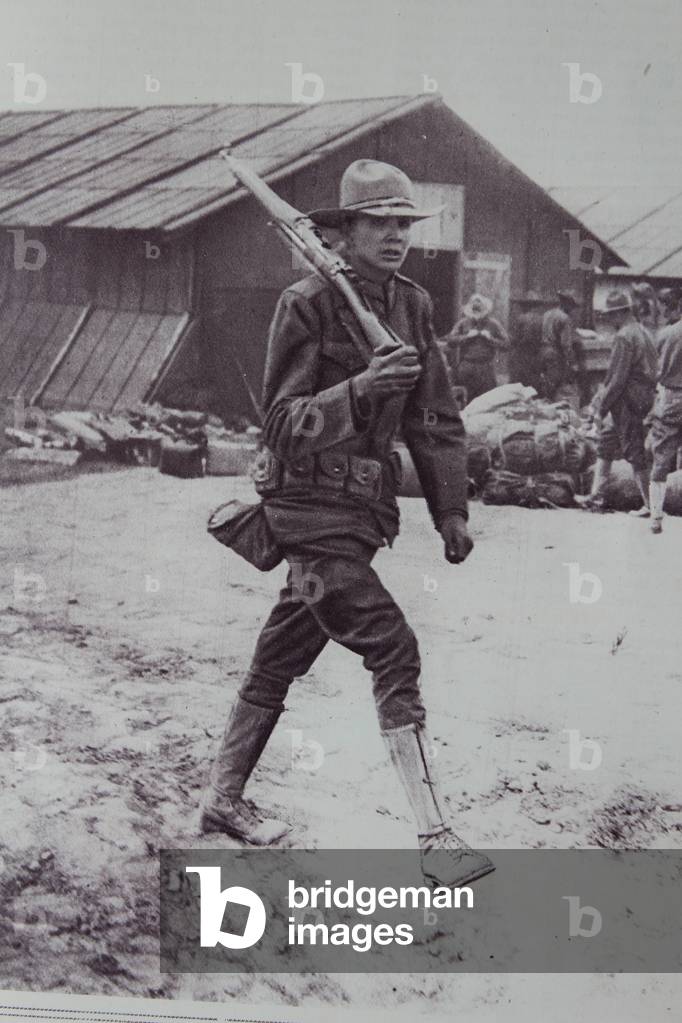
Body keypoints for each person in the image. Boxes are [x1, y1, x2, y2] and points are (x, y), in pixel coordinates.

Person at [200, 159, 495, 887]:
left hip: (360, 517)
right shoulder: (306, 304)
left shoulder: (412, 307)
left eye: (404, 224)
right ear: (345, 231)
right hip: (306, 513)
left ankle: (221, 799)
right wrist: (362, 390)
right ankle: (435, 836)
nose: (395, 236)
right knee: (393, 647)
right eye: (380, 223)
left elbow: (435, 417)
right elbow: (279, 423)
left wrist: (451, 508)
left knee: (280, 654)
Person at [578, 290, 657, 514]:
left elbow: (617, 378)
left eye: (611, 315)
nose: (609, 320)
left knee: (635, 452)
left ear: (621, 313)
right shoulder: (643, 331)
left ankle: (650, 505)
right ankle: (596, 497)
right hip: (640, 397)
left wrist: (600, 408)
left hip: (628, 401)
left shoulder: (624, 336)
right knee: (605, 444)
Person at [648, 294, 682, 533]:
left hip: (670, 396)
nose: (663, 316)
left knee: (661, 456)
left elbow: (653, 370)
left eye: (664, 311)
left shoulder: (664, 335)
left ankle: (656, 517)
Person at [443, 293, 508, 401]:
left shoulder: (493, 324)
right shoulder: (463, 323)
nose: (477, 312)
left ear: (485, 309)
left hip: (486, 368)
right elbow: (450, 340)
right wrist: (466, 336)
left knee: (487, 400)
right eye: (474, 309)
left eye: (480, 309)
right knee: (466, 400)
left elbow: (507, 344)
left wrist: (490, 338)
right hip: (466, 367)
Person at [539, 288, 582, 407]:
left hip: (543, 351)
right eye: (572, 306)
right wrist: (573, 363)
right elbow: (566, 344)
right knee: (555, 385)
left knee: (546, 383)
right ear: (567, 304)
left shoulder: (547, 314)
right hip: (554, 353)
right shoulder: (565, 318)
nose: (573, 309)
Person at [510, 290, 545, 390]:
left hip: (522, 354)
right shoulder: (541, 319)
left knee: (520, 383)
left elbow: (514, 338)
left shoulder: (520, 318)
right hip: (536, 354)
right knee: (534, 382)